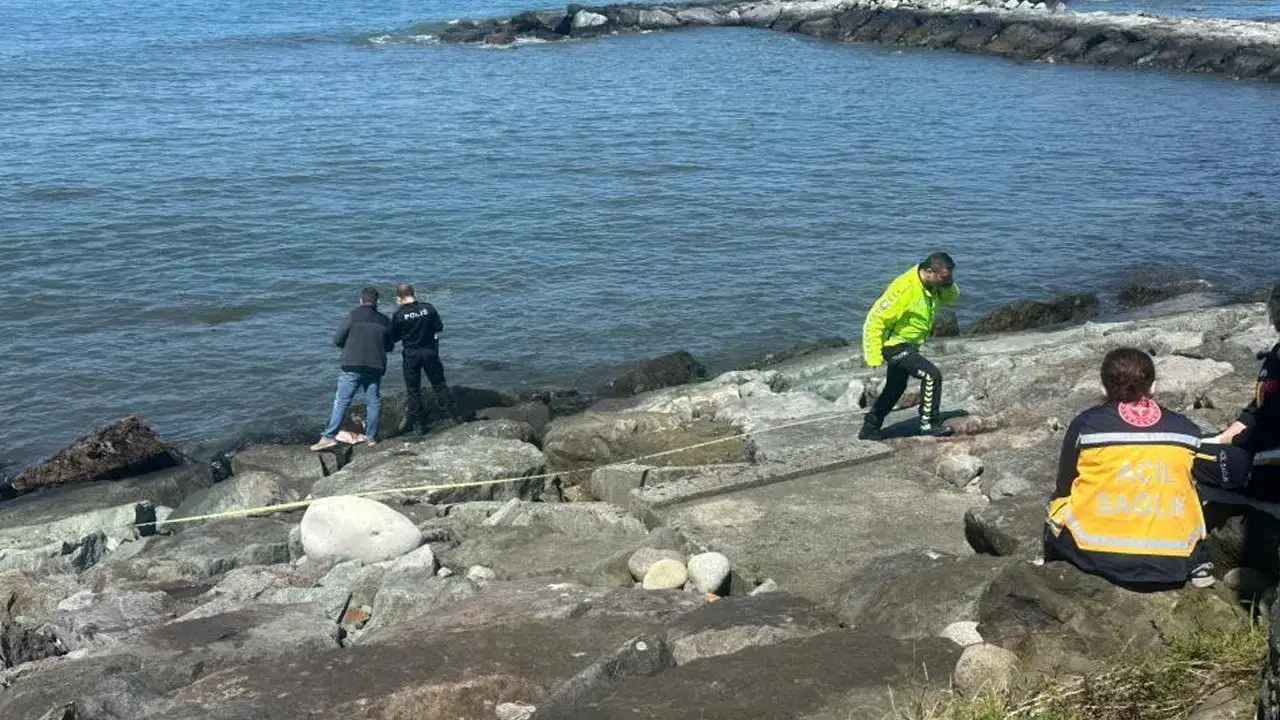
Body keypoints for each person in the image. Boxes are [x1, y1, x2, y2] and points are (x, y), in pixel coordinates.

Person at [1044, 347, 1212, 589]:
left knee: (1057, 506)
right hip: (1174, 558)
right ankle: (1200, 564)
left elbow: (1064, 484)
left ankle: (1052, 572)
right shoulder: (1186, 429)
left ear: (1103, 388)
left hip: (1097, 553)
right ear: (1153, 387)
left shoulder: (1086, 424)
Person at [859, 252, 959, 440]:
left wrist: (947, 283)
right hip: (894, 345)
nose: (948, 280)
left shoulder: (932, 285)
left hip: (909, 344)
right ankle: (928, 424)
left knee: (895, 388)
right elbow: (874, 320)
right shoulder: (903, 289)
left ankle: (869, 429)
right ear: (929, 271)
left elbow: (951, 298)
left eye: (950, 276)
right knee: (931, 375)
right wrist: (873, 356)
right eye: (945, 277)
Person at [310, 286, 394, 451]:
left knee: (342, 401)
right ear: (377, 302)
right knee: (373, 401)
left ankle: (328, 437)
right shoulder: (384, 320)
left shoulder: (352, 316)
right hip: (375, 365)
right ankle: (372, 437)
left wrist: (349, 345)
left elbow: (337, 339)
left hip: (352, 364)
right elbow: (390, 346)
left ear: (361, 300)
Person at [390, 282, 460, 433]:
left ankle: (420, 425)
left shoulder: (399, 315)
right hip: (430, 351)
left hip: (412, 354)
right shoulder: (428, 308)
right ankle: (454, 416)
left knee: (413, 389)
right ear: (414, 294)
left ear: (399, 298)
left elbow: (393, 337)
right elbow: (439, 327)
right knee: (439, 383)